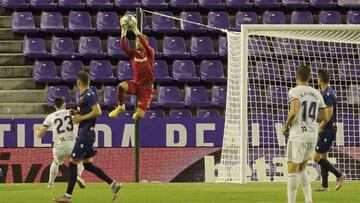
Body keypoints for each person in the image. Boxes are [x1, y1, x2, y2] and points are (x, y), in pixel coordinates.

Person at [53, 72, 121, 203]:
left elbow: (98, 111)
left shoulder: (88, 94)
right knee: (88, 165)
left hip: (86, 134)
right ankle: (113, 183)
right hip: (87, 133)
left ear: (78, 82)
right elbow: (88, 112)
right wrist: (77, 113)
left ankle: (67, 196)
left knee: (72, 163)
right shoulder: (84, 96)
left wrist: (81, 118)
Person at [282, 66, 331, 203]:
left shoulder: (294, 91)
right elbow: (325, 116)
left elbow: (294, 111)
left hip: (298, 135)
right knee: (302, 168)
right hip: (311, 134)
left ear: (296, 77)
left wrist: (285, 126)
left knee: (292, 168)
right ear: (309, 78)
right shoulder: (317, 93)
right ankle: (308, 200)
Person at [109, 15, 155, 119]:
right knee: (121, 86)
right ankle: (120, 107)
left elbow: (145, 45)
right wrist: (124, 30)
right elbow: (123, 47)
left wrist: (135, 29)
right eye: (137, 41)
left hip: (146, 89)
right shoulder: (133, 54)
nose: (138, 42)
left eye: (140, 41)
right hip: (136, 85)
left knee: (138, 116)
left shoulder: (150, 53)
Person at [34, 97, 86, 189]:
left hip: (59, 145)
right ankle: (77, 175)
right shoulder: (71, 112)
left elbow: (41, 135)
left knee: (56, 162)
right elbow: (82, 119)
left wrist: (36, 131)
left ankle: (50, 184)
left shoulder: (50, 117)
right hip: (73, 143)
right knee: (82, 160)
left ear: (54, 106)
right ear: (64, 104)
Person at [313, 69, 345, 192]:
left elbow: (330, 113)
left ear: (320, 80)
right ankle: (325, 185)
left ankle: (339, 175)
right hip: (328, 128)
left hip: (328, 129)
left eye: (317, 78)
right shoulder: (328, 91)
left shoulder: (328, 94)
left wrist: (320, 125)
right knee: (324, 157)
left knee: (316, 158)